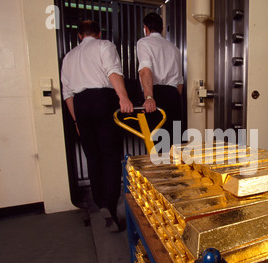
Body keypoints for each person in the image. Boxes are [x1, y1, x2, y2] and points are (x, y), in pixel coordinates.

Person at [61, 20, 133, 232]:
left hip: (80, 104)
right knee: (110, 156)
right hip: (103, 100)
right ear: (98, 33)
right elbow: (112, 71)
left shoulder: (69, 57)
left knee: (93, 157)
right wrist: (124, 98)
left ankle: (100, 201)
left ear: (79, 36)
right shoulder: (105, 46)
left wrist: (76, 120)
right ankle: (109, 206)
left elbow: (67, 93)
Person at [137, 12, 184, 149]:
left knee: (155, 144)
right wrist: (174, 98)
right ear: (162, 28)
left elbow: (145, 70)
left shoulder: (144, 43)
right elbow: (180, 81)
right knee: (174, 144)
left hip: (155, 94)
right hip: (174, 95)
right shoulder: (174, 48)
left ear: (145, 28)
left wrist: (149, 97)